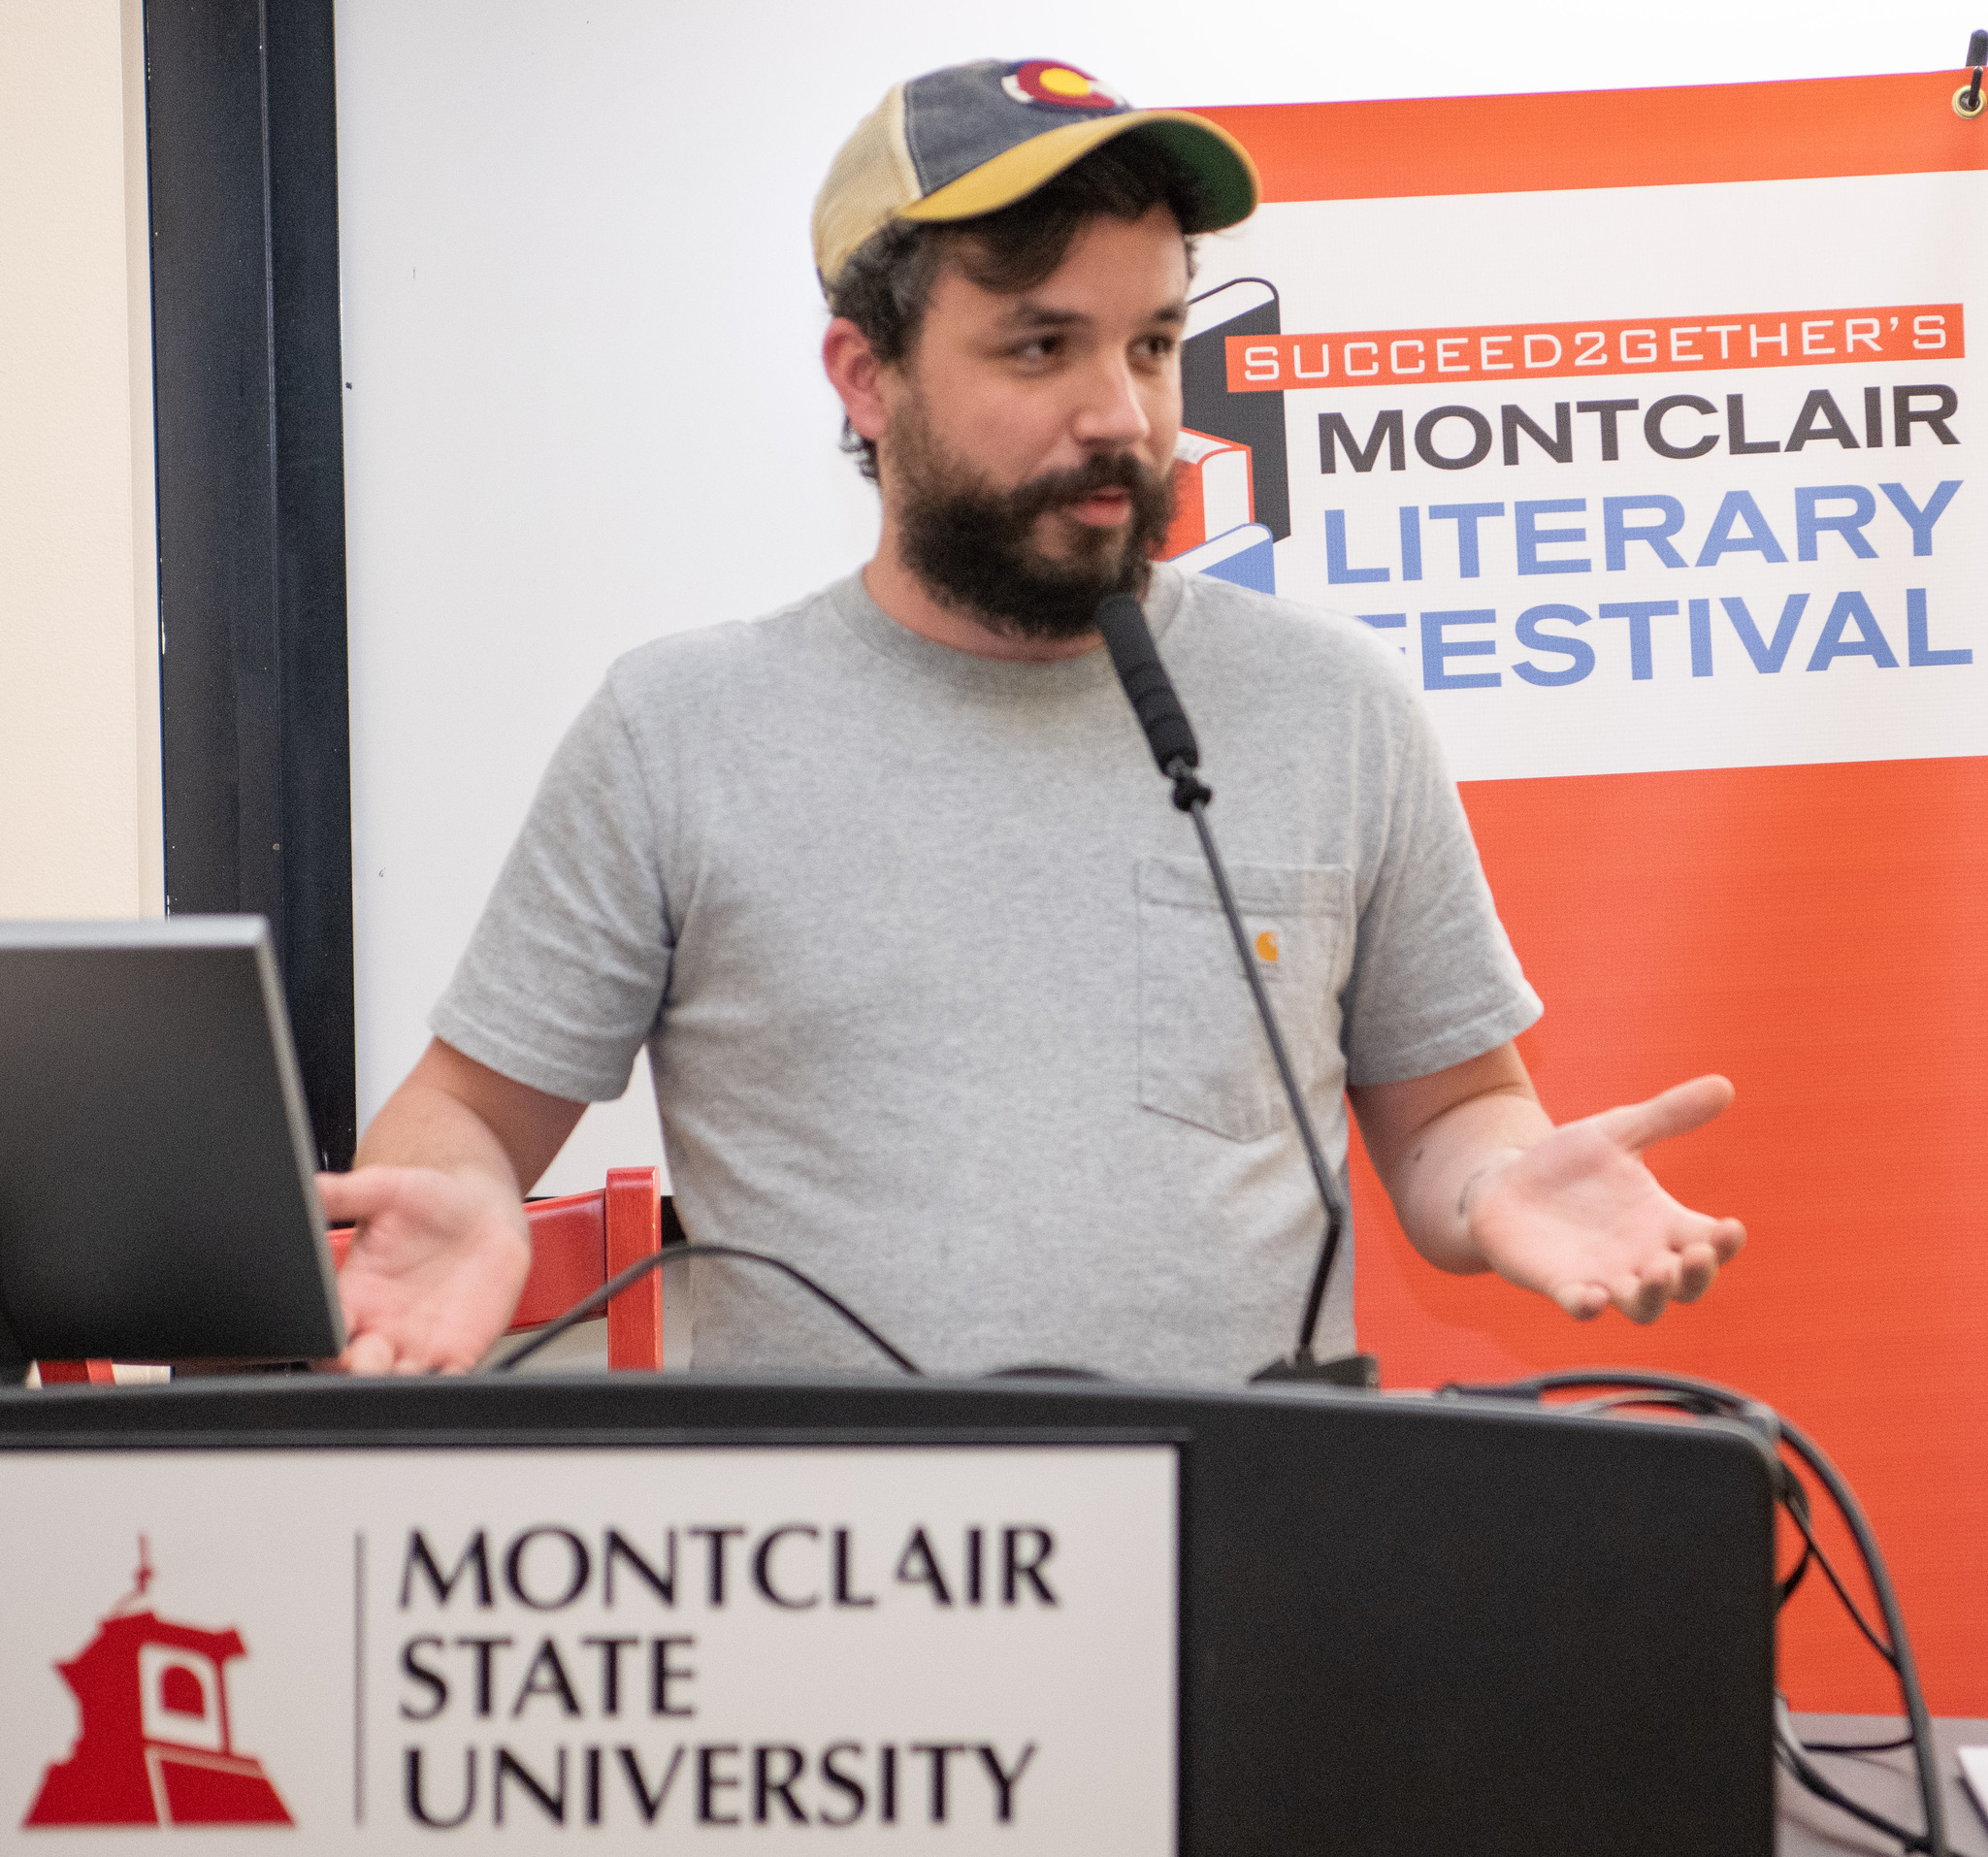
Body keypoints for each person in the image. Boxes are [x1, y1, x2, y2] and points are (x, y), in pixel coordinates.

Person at [320, 58, 1744, 1380]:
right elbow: (468, 1116)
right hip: (835, 1550)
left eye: (1153, 343)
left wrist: (1498, 1179)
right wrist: (457, 1194)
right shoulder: (677, 730)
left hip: (1236, 1531)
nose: (1120, 413)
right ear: (866, 377)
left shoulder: (1333, 705)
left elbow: (1445, 1115)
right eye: (1042, 346)